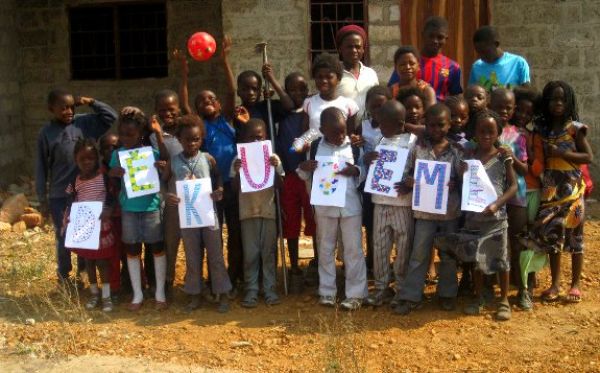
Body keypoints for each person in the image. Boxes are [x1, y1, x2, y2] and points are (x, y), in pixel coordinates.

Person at [175, 37, 244, 292]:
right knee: (211, 236)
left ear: (218, 104)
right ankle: (209, 280)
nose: (207, 103)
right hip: (207, 190)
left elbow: (230, 91)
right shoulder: (197, 126)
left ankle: (233, 277)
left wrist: (224, 61)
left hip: (231, 185)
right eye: (201, 101)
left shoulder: (227, 118)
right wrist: (184, 72)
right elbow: (183, 103)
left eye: (211, 99)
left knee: (234, 233)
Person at [35, 89, 117, 284]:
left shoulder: (84, 123)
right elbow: (41, 167)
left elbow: (110, 116)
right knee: (63, 235)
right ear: (51, 109)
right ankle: (64, 275)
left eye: (71, 107)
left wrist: (91, 101)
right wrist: (42, 199)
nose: (68, 111)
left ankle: (82, 272)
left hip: (85, 193)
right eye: (63, 108)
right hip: (59, 195)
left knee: (83, 233)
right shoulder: (46, 133)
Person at [394, 103, 462, 315]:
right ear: (426, 125)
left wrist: (456, 184)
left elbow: (466, 180)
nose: (436, 129)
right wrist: (411, 182)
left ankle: (447, 294)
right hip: (424, 213)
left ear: (449, 125)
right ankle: (411, 295)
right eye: (431, 125)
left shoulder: (457, 151)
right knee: (419, 253)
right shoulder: (418, 149)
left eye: (441, 125)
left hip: (449, 212)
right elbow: (404, 173)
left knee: (448, 254)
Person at [528, 81, 593, 304]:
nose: (558, 103)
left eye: (563, 100)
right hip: (550, 190)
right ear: (546, 102)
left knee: (575, 238)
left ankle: (575, 284)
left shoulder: (575, 128)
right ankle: (554, 284)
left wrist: (561, 153)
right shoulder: (543, 131)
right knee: (553, 236)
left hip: (573, 190)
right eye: (554, 99)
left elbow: (588, 157)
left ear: (569, 103)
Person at [298, 107, 367, 311]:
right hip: (325, 207)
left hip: (350, 206)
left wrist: (355, 170)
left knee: (353, 249)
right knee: (326, 249)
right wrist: (304, 167)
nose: (339, 136)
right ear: (321, 129)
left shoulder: (354, 146)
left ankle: (355, 294)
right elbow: (304, 174)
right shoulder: (316, 146)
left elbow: (363, 170)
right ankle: (327, 291)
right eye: (334, 132)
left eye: (342, 131)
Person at [162, 115, 232, 313]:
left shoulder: (207, 159)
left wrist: (219, 190)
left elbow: (218, 177)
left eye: (196, 139)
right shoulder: (173, 161)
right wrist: (167, 195)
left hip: (209, 215)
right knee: (192, 256)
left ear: (201, 138)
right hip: (187, 216)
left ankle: (223, 293)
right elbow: (163, 180)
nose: (192, 143)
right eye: (187, 139)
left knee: (216, 255)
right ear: (179, 139)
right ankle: (194, 294)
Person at [108, 109, 169, 311]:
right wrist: (113, 173)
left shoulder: (150, 153)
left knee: (157, 248)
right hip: (129, 209)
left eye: (130, 134)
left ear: (140, 134)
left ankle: (159, 291)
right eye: (122, 134)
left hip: (151, 207)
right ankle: (137, 293)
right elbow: (110, 177)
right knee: (132, 249)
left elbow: (166, 159)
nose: (125, 138)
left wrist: (158, 135)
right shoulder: (117, 155)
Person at [463, 110, 518, 321]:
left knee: (501, 260)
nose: (486, 135)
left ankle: (503, 300)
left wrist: (496, 204)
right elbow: (464, 184)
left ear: (498, 133)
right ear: (475, 132)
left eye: (491, 131)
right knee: (478, 261)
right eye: (482, 131)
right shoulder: (470, 158)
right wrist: (462, 172)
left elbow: (512, 186)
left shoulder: (503, 157)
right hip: (474, 219)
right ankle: (479, 297)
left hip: (497, 219)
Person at [363, 100, 416, 307]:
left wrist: (410, 183)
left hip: (402, 203)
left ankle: (402, 287)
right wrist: (367, 159)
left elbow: (417, 169)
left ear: (399, 123)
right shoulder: (379, 140)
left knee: (403, 246)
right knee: (379, 246)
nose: (380, 126)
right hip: (380, 202)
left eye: (384, 123)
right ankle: (381, 287)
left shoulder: (412, 142)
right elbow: (372, 168)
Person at [231, 119, 284, 307]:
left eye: (259, 137)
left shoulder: (273, 157)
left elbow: (280, 185)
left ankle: (269, 290)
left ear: (266, 138)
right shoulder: (237, 160)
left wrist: (275, 168)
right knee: (251, 254)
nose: (255, 141)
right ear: (244, 139)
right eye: (251, 137)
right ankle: (251, 290)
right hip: (247, 212)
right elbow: (235, 187)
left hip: (268, 211)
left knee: (268, 252)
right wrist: (237, 172)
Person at [64, 139, 117, 312]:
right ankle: (94, 294)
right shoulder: (75, 181)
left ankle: (107, 296)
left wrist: (108, 210)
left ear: (97, 158)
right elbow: (70, 199)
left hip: (101, 226)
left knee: (102, 262)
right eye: (82, 159)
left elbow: (111, 196)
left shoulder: (104, 177)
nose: (87, 162)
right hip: (84, 228)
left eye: (91, 158)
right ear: (76, 160)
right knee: (89, 262)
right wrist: (69, 216)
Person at [275, 72, 316, 286]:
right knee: (291, 223)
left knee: (313, 220)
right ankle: (293, 266)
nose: (298, 94)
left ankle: (317, 263)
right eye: (292, 90)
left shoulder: (310, 115)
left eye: (302, 89)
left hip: (308, 177)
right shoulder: (280, 116)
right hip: (289, 177)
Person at [491, 89, 529, 295]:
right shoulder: (484, 130)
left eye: (508, 107)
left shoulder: (518, 135)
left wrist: (511, 156)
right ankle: (491, 284)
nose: (504, 111)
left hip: (516, 196)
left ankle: (521, 286)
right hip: (492, 197)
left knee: (516, 242)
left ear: (514, 109)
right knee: (493, 242)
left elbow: (525, 169)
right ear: (490, 106)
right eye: (499, 107)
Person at [512, 86, 543, 310]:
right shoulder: (506, 132)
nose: (523, 116)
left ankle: (528, 284)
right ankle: (517, 278)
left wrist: (531, 156)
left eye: (528, 113)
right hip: (512, 193)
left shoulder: (534, 136)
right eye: (519, 110)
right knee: (515, 238)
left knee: (528, 239)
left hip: (531, 191)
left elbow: (537, 168)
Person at [151, 89, 183, 296]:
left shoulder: (186, 131)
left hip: (191, 194)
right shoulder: (154, 135)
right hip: (169, 194)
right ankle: (167, 282)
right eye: (162, 110)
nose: (167, 114)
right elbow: (161, 159)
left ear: (179, 109)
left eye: (171, 109)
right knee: (170, 241)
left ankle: (195, 282)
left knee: (193, 242)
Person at [357, 85, 392, 274]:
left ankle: (386, 261)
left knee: (389, 223)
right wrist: (363, 153)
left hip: (389, 183)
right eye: (374, 107)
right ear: (368, 107)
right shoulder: (362, 127)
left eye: (382, 106)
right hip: (369, 183)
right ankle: (372, 260)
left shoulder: (396, 127)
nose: (378, 111)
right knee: (371, 223)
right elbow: (355, 150)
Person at [388, 16, 462, 101]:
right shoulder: (409, 63)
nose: (435, 41)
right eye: (431, 36)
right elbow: (393, 89)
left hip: (439, 112)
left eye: (440, 37)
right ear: (423, 35)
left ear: (446, 39)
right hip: (411, 110)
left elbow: (456, 97)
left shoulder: (453, 67)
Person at [99, 133, 128, 299]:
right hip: (108, 220)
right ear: (101, 152)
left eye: (115, 147)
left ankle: (133, 283)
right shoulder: (99, 171)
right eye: (107, 148)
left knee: (130, 251)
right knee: (112, 254)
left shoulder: (127, 167)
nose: (111, 150)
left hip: (126, 215)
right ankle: (115, 288)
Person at [303, 53, 359, 134]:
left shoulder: (349, 105)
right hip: (315, 146)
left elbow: (350, 136)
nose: (324, 81)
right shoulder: (308, 103)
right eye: (319, 77)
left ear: (338, 79)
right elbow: (305, 134)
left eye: (329, 77)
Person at [335, 24, 379, 119]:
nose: (354, 50)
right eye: (349, 47)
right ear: (340, 49)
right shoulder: (334, 75)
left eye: (358, 47)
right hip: (343, 130)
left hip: (369, 130)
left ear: (363, 50)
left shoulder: (371, 74)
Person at [469, 26, 530, 90]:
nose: (481, 56)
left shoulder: (518, 63)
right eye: (478, 52)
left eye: (484, 52)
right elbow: (471, 92)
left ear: (496, 44)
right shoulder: (476, 67)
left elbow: (527, 93)